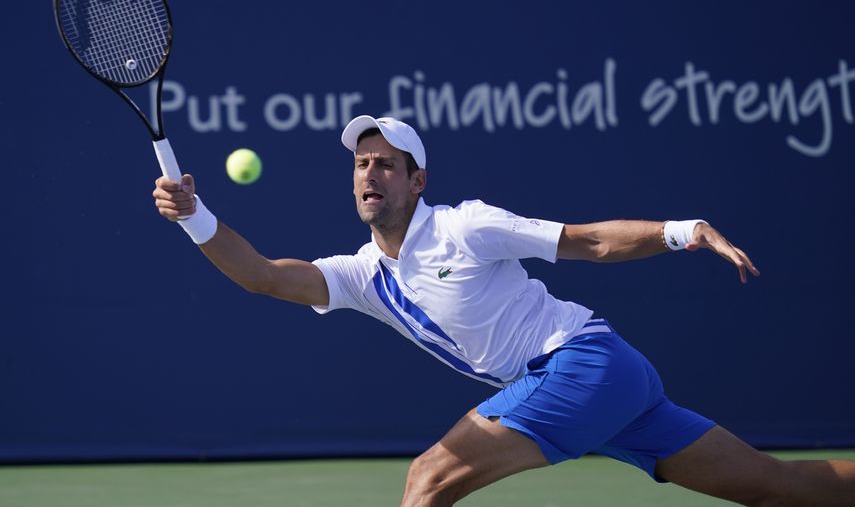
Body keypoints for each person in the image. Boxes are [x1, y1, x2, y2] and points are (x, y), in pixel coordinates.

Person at [152, 115, 855, 507]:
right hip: (605, 389)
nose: (369, 174)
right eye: (361, 164)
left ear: (415, 180)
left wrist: (681, 230)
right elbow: (264, 278)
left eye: (386, 164)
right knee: (779, 488)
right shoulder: (363, 275)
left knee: (428, 477)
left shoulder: (465, 225)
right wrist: (195, 217)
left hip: (585, 365)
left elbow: (586, 242)